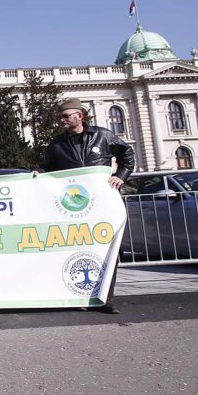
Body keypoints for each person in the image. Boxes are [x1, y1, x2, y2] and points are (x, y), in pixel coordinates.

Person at [38, 97, 134, 314]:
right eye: (59, 117)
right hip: (74, 208)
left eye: (65, 116)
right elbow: (48, 169)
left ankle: (106, 299)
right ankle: (79, 296)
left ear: (79, 116)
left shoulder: (103, 136)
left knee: (108, 250)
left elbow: (127, 154)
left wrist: (121, 175)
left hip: (103, 205)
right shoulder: (57, 145)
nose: (61, 120)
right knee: (76, 250)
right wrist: (39, 174)